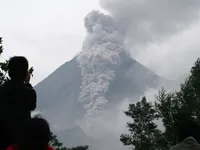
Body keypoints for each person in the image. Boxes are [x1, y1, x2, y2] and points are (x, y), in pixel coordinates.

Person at [0, 56, 37, 148]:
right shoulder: (27, 92)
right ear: (25, 73)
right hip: (21, 140)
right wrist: (27, 83)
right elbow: (32, 105)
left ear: (9, 72)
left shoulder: (2, 90)